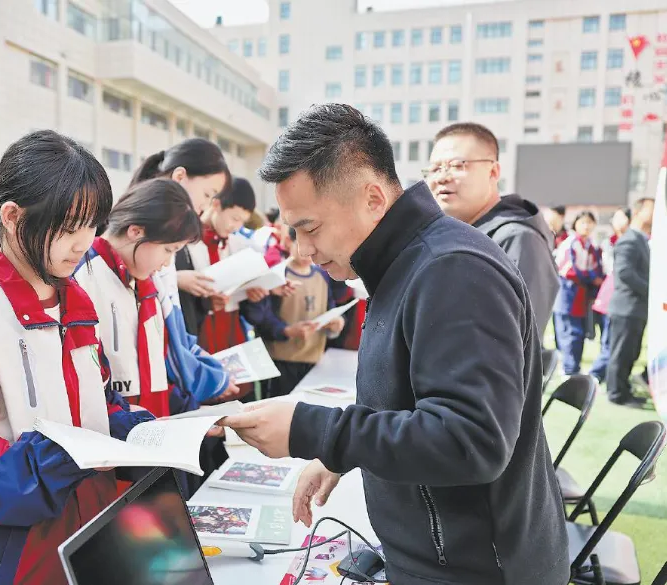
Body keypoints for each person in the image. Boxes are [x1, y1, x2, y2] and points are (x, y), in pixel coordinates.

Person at [221, 104, 569, 585]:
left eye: (310, 228)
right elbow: (410, 398)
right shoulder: (405, 262)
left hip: (476, 567)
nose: (303, 250)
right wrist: (340, 454)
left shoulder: (451, 269)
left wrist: (321, 432)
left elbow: (472, 440)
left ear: (372, 198)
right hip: (441, 553)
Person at [0, 131, 154, 584]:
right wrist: (53, 464)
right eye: (70, 228)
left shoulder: (74, 300)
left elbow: (89, 403)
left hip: (77, 534)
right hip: (5, 554)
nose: (84, 243)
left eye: (93, 226)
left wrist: (138, 433)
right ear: (14, 217)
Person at [75, 178, 203, 418]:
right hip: (111, 435)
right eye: (168, 250)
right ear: (135, 231)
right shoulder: (83, 275)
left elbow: (154, 373)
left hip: (151, 431)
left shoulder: (147, 285)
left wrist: (191, 412)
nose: (167, 263)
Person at [130, 140, 238, 403]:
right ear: (180, 177)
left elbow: (177, 333)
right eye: (207, 194)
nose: (206, 205)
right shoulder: (141, 239)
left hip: (169, 389)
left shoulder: (176, 236)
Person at [427, 122, 558, 337]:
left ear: (494, 171)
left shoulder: (517, 239)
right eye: (434, 169)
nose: (442, 177)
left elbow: (513, 341)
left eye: (458, 165)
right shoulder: (458, 235)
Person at [240, 227, 345, 397]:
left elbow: (328, 306)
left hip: (314, 357)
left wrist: (335, 323)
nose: (307, 252)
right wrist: (286, 331)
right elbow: (262, 318)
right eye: (302, 244)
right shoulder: (276, 276)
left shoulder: (323, 275)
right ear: (288, 242)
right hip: (281, 359)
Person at [177, 176, 258, 352]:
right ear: (216, 205)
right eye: (234, 218)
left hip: (231, 328)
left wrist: (255, 291)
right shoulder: (183, 242)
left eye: (242, 222)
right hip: (198, 329)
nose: (237, 226)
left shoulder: (240, 245)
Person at [606, 198, 654, 407]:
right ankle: (617, 394)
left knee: (631, 352)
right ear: (638, 212)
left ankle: (624, 390)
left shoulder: (641, 239)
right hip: (627, 306)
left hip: (636, 308)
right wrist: (651, 290)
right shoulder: (629, 240)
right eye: (651, 209)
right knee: (622, 353)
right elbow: (625, 273)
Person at [553, 211, 603, 375]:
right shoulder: (570, 244)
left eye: (590, 222)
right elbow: (569, 270)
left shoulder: (592, 245)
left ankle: (575, 368)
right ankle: (569, 369)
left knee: (580, 333)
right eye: (583, 222)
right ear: (575, 224)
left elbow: (597, 267)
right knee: (569, 333)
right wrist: (592, 278)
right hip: (568, 293)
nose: (586, 226)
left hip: (582, 295)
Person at [589, 206, 632, 381]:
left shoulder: (628, 241)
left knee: (611, 342)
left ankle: (601, 374)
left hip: (616, 299)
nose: (615, 221)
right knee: (608, 342)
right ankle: (596, 375)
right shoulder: (613, 241)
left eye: (619, 217)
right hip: (609, 299)